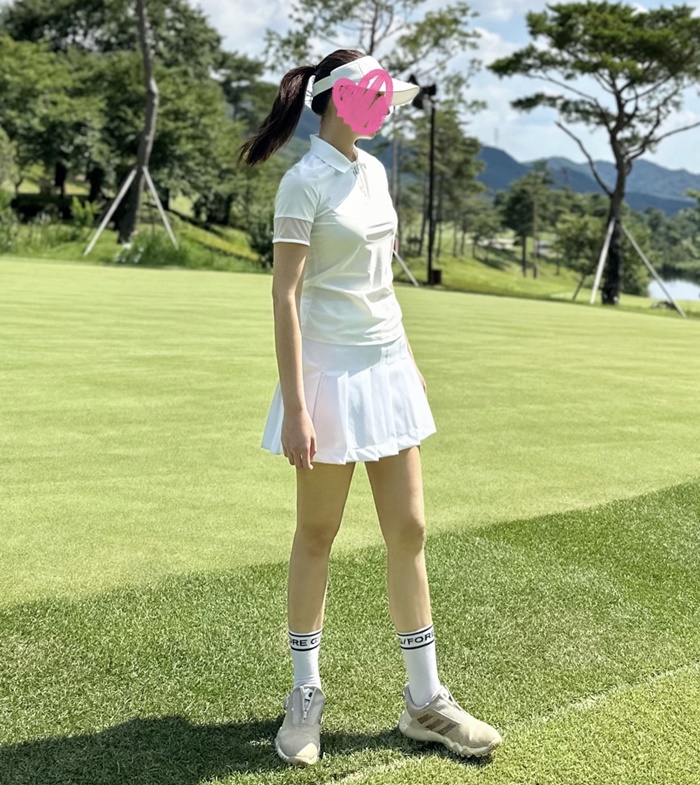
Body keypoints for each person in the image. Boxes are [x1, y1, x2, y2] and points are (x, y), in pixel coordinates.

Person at [237, 49, 502, 767]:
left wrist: (408, 365)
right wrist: (297, 406)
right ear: (339, 99)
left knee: (409, 529)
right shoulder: (302, 182)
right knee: (316, 533)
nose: (385, 110)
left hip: (386, 371)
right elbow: (285, 297)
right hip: (328, 376)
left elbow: (382, 285)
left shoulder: (375, 172)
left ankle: (426, 701)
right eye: (376, 98)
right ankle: (305, 695)